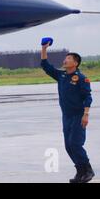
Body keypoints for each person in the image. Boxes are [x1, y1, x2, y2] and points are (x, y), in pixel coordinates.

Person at [41, 41, 94, 183]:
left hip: (78, 115)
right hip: (67, 116)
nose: (65, 60)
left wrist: (86, 114)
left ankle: (88, 170)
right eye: (65, 58)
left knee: (75, 144)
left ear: (75, 63)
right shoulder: (61, 76)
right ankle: (80, 172)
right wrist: (44, 49)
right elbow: (46, 66)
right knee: (68, 146)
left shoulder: (81, 78)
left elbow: (88, 97)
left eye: (69, 58)